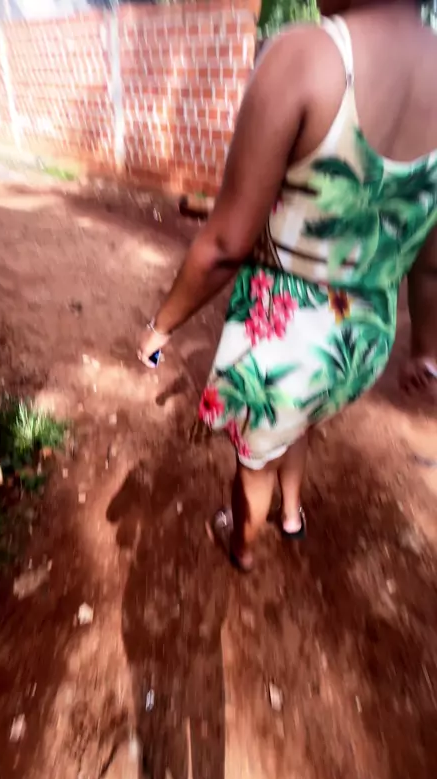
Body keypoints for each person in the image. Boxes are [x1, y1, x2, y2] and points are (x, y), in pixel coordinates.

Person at [139, 0, 437, 571]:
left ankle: (242, 544)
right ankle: (293, 513)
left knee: (254, 463)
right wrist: (425, 348)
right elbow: (432, 260)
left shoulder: (306, 55)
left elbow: (225, 245)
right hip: (362, 341)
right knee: (297, 417)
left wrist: (160, 327)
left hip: (284, 336)